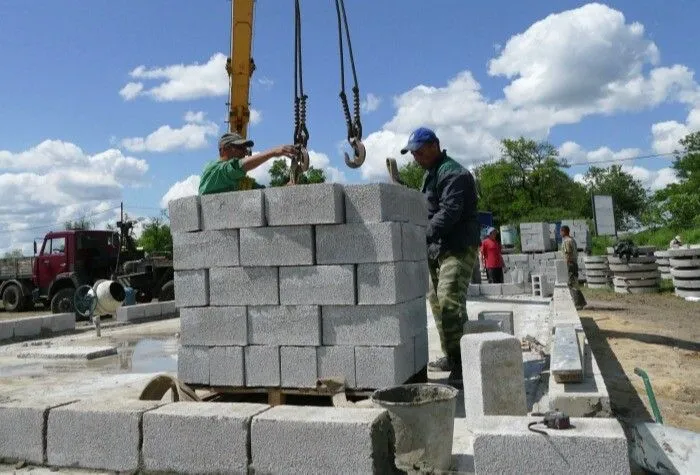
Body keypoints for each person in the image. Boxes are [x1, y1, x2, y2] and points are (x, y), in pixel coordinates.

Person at [400, 127, 480, 387]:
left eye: (420, 151)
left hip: (457, 248)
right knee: (436, 305)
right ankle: (452, 355)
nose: (416, 157)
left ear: (435, 145)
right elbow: (427, 208)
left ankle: (462, 363)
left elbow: (449, 213)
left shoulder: (454, 173)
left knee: (450, 305)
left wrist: (417, 234)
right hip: (437, 250)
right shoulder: (429, 175)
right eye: (413, 153)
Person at [199, 132, 297, 195]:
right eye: (240, 147)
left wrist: (285, 190)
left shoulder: (243, 182)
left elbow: (266, 195)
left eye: (246, 149)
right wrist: (273, 152)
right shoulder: (213, 171)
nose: (245, 152)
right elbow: (235, 166)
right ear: (224, 149)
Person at [560, 225, 587, 310]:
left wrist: (566, 265)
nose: (560, 233)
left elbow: (568, 254)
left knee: (572, 284)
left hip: (570, 264)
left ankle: (578, 304)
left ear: (564, 232)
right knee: (575, 283)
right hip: (574, 263)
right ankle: (581, 302)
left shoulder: (567, 241)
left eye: (561, 231)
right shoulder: (572, 240)